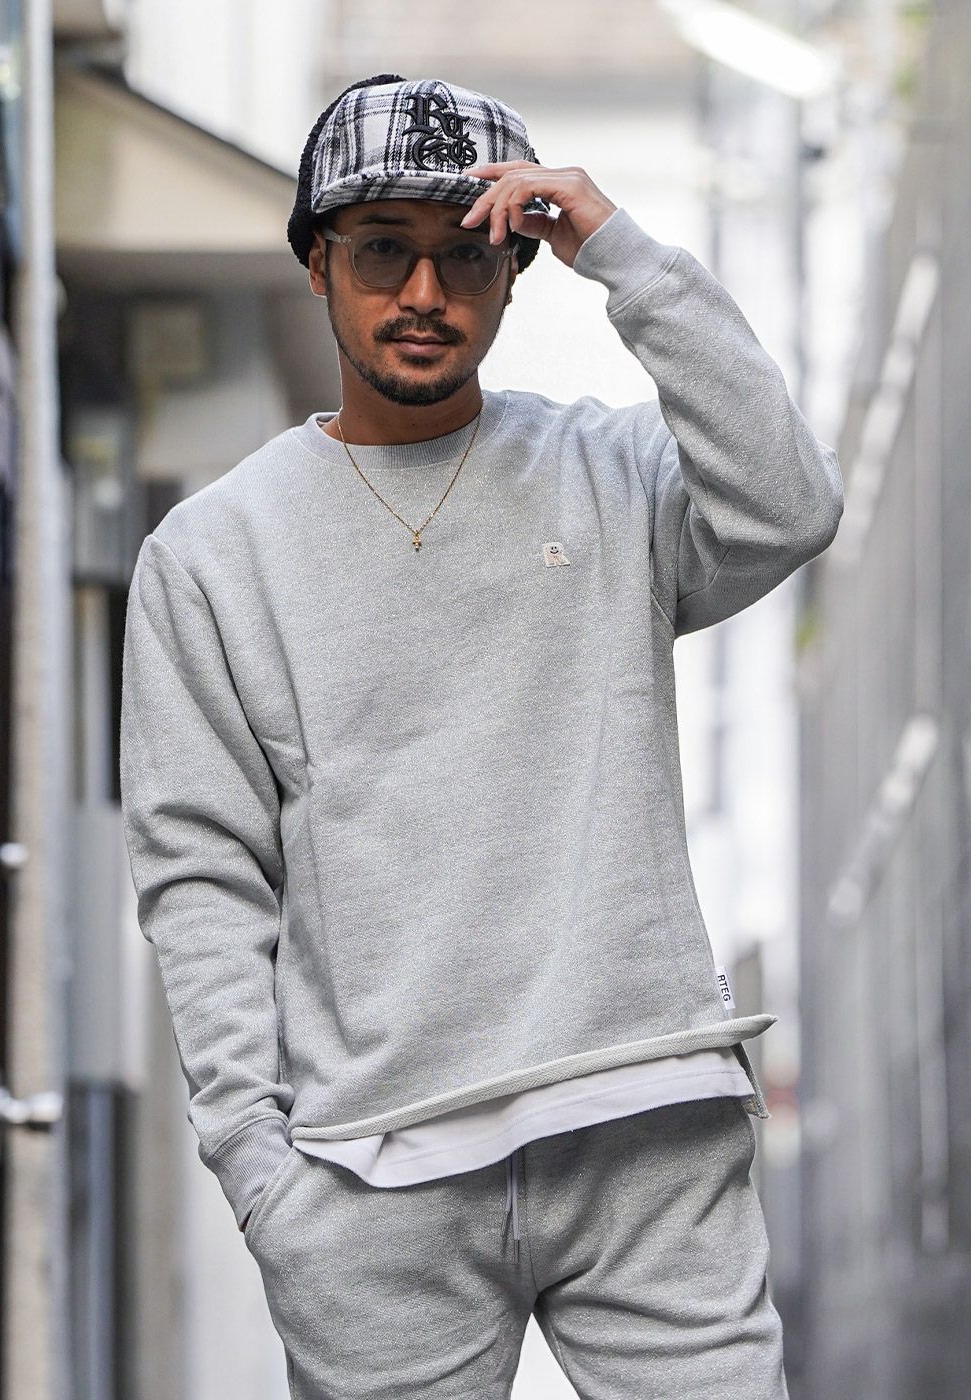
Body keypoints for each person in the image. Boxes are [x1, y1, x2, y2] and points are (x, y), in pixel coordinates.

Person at [119, 73, 843, 1399]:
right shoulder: (213, 555)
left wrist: (621, 253)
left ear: (516, 272)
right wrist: (262, 1172)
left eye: (465, 256)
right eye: (381, 251)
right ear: (317, 263)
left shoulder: (613, 474)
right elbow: (201, 875)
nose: (424, 292)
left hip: (642, 1127)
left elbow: (789, 504)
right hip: (373, 1176)